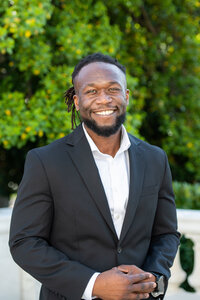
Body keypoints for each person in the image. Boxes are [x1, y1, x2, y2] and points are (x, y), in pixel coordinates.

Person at [9, 53, 180, 300]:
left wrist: (153, 277)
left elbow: (166, 233)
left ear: (126, 96)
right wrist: (94, 283)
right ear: (77, 101)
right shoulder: (45, 161)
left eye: (113, 89)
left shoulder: (155, 159)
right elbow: (25, 243)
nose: (104, 99)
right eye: (92, 91)